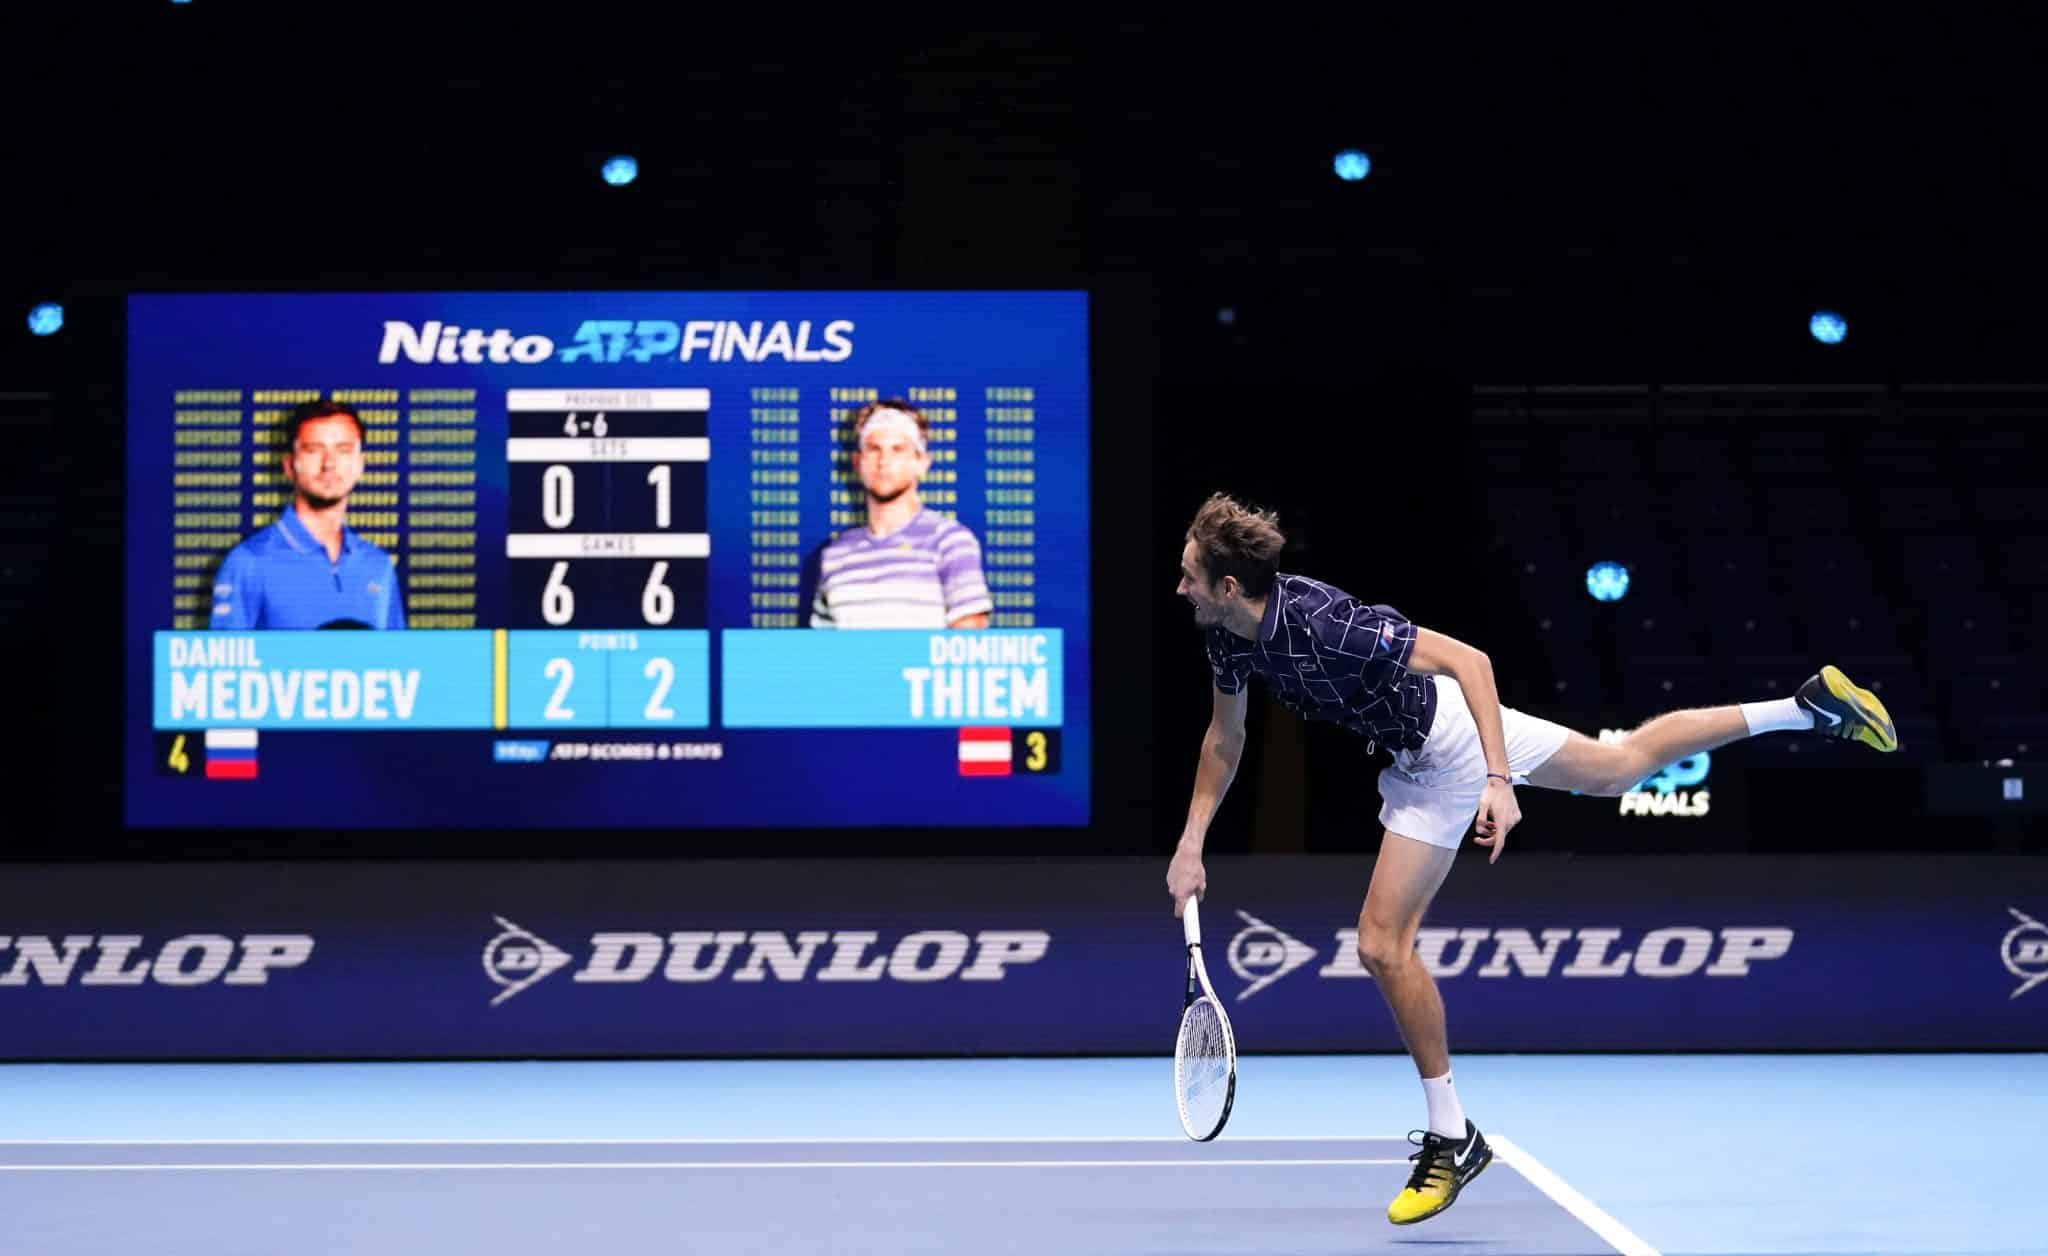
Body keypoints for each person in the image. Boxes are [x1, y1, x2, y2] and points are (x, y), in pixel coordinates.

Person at [1162, 492, 1895, 1227]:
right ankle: (1803, 710)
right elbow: (1226, 739)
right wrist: (1192, 842)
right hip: (1434, 741)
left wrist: (1496, 780)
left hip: (1445, 750)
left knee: (1383, 946)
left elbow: (1469, 661)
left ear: (1230, 587)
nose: (1180, 587)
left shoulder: (1325, 624)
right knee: (1618, 766)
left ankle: (1453, 1137)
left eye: (1191, 575)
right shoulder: (1228, 637)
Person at [210, 400, 405, 630]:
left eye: (343, 450)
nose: (329, 464)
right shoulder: (248, 562)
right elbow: (224, 663)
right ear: (290, 465)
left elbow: (399, 661)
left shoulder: (378, 565)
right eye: (313, 450)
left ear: (360, 464)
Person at [808, 399, 992, 629]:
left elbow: (968, 646)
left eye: (897, 449)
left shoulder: (949, 542)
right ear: (857, 462)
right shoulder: (835, 555)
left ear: (921, 463)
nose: (883, 461)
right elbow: (822, 654)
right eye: (874, 448)